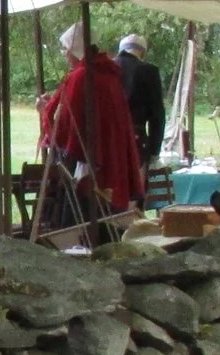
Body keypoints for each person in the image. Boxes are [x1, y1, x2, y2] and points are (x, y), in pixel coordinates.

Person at [39, 22, 145, 222]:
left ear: (75, 49)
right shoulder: (109, 76)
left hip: (84, 161)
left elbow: (66, 127)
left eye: (65, 49)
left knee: (79, 215)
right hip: (107, 156)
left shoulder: (81, 77)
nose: (64, 54)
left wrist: (45, 112)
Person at [117, 32, 166, 164]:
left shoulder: (107, 68)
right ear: (143, 53)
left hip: (108, 143)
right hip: (136, 143)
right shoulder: (149, 71)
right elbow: (157, 115)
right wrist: (154, 151)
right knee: (135, 183)